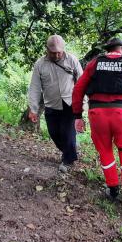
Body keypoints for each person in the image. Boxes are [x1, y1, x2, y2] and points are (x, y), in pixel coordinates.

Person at [72, 38, 122, 219]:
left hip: (97, 115)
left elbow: (78, 89)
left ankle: (113, 189)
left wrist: (77, 115)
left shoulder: (94, 63)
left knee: (105, 152)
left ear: (109, 50)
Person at [27, 35, 84, 172]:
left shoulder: (72, 60)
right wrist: (33, 109)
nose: (57, 54)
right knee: (54, 133)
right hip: (51, 104)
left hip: (69, 104)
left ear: (63, 49)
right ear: (47, 50)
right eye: (53, 52)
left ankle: (68, 160)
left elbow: (82, 82)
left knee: (67, 132)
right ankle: (70, 150)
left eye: (59, 51)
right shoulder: (40, 64)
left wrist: (83, 103)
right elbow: (34, 87)